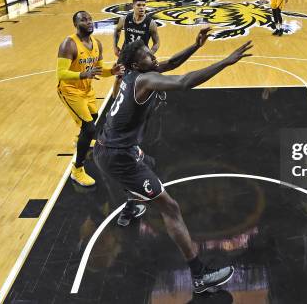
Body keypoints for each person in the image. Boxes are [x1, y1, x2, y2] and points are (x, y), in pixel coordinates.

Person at [94, 28, 252, 293]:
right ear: (135, 64)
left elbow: (172, 63)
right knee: (170, 207)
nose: (152, 54)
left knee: (150, 163)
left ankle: (133, 205)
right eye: (146, 54)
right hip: (117, 156)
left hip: (111, 145)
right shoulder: (143, 81)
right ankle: (199, 274)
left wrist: (195, 46)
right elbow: (183, 82)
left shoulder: (135, 75)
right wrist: (225, 61)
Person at [57, 11, 121, 187]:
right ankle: (77, 170)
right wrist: (85, 73)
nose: (89, 22)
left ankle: (80, 139)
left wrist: (112, 71)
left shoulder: (97, 43)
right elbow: (61, 73)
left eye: (90, 19)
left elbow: (100, 70)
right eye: (84, 20)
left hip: (87, 90)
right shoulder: (68, 44)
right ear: (75, 24)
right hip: (70, 90)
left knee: (93, 118)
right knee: (90, 128)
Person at [113, 0, 160, 96]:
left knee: (153, 74)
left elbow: (157, 43)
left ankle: (158, 92)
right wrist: (115, 46)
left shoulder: (151, 23)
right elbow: (117, 31)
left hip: (141, 55)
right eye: (139, 5)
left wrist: (149, 54)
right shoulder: (124, 19)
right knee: (118, 78)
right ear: (133, 6)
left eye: (144, 5)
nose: (142, 8)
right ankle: (114, 101)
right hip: (126, 53)